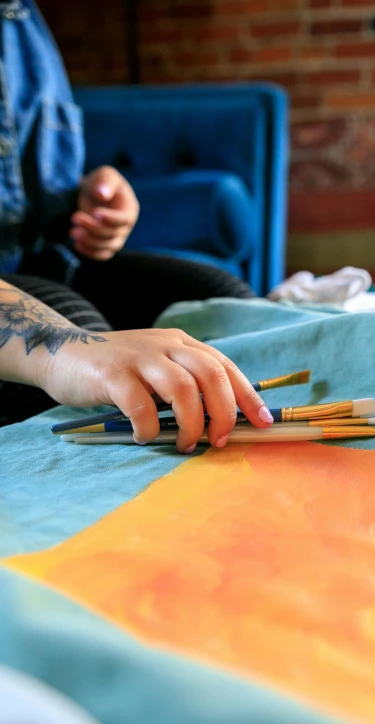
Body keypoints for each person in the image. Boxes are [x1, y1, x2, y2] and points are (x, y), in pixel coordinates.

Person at [0, 0, 271, 446]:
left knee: (225, 301)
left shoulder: (22, 17)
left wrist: (84, 194)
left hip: (46, 261)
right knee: (97, 356)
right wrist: (61, 348)